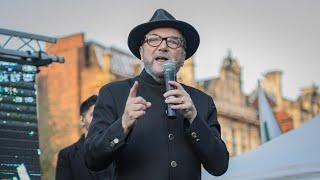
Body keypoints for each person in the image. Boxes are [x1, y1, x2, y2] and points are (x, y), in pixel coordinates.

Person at [84, 9, 229, 180]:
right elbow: (92, 159)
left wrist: (194, 118)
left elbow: (220, 166)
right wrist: (122, 125)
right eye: (153, 40)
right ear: (141, 52)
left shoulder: (202, 101)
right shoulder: (113, 93)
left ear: (183, 56)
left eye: (173, 41)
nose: (163, 46)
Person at [56, 95, 114, 180]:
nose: (99, 119)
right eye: (93, 115)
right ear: (82, 120)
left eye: (103, 115)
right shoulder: (67, 156)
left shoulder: (116, 149)